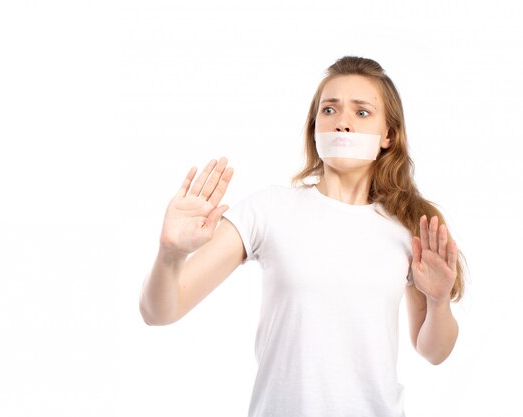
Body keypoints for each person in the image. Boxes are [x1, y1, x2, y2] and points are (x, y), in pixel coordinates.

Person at [139, 56, 465, 417]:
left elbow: (434, 352)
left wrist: (438, 302)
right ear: (314, 127)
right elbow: (159, 312)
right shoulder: (269, 210)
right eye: (329, 110)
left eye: (361, 113)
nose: (342, 123)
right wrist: (169, 254)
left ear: (388, 134)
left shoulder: (407, 229)